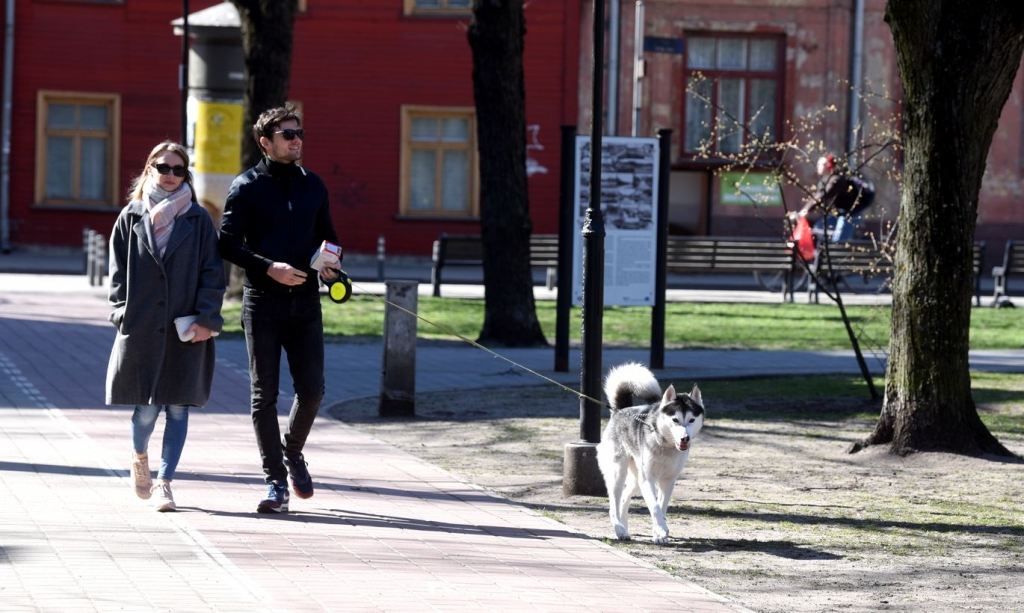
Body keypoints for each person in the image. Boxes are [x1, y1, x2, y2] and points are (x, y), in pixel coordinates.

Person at [219, 105, 341, 514]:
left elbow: (328, 238)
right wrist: (269, 267)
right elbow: (227, 243)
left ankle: (292, 450)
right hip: (262, 304)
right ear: (265, 142)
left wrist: (331, 266)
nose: (296, 140)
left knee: (312, 391)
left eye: (298, 133)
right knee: (264, 395)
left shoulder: (314, 185)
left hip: (306, 303)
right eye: (287, 134)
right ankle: (275, 482)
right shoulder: (246, 186)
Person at [106, 141, 225, 512]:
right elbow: (117, 274)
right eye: (163, 167)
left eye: (178, 169)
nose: (171, 175)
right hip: (142, 327)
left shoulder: (198, 219)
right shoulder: (131, 216)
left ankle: (165, 483)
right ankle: (140, 457)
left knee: (177, 408)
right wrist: (121, 313)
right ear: (149, 169)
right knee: (146, 409)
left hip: (184, 328)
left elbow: (213, 274)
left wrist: (207, 319)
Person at [799, 153, 875, 243]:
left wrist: (806, 210)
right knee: (819, 227)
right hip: (840, 213)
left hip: (851, 214)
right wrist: (806, 209)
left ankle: (836, 249)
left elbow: (823, 195)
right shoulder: (826, 180)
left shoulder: (836, 180)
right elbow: (819, 195)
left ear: (828, 165)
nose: (817, 166)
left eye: (820, 164)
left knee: (840, 240)